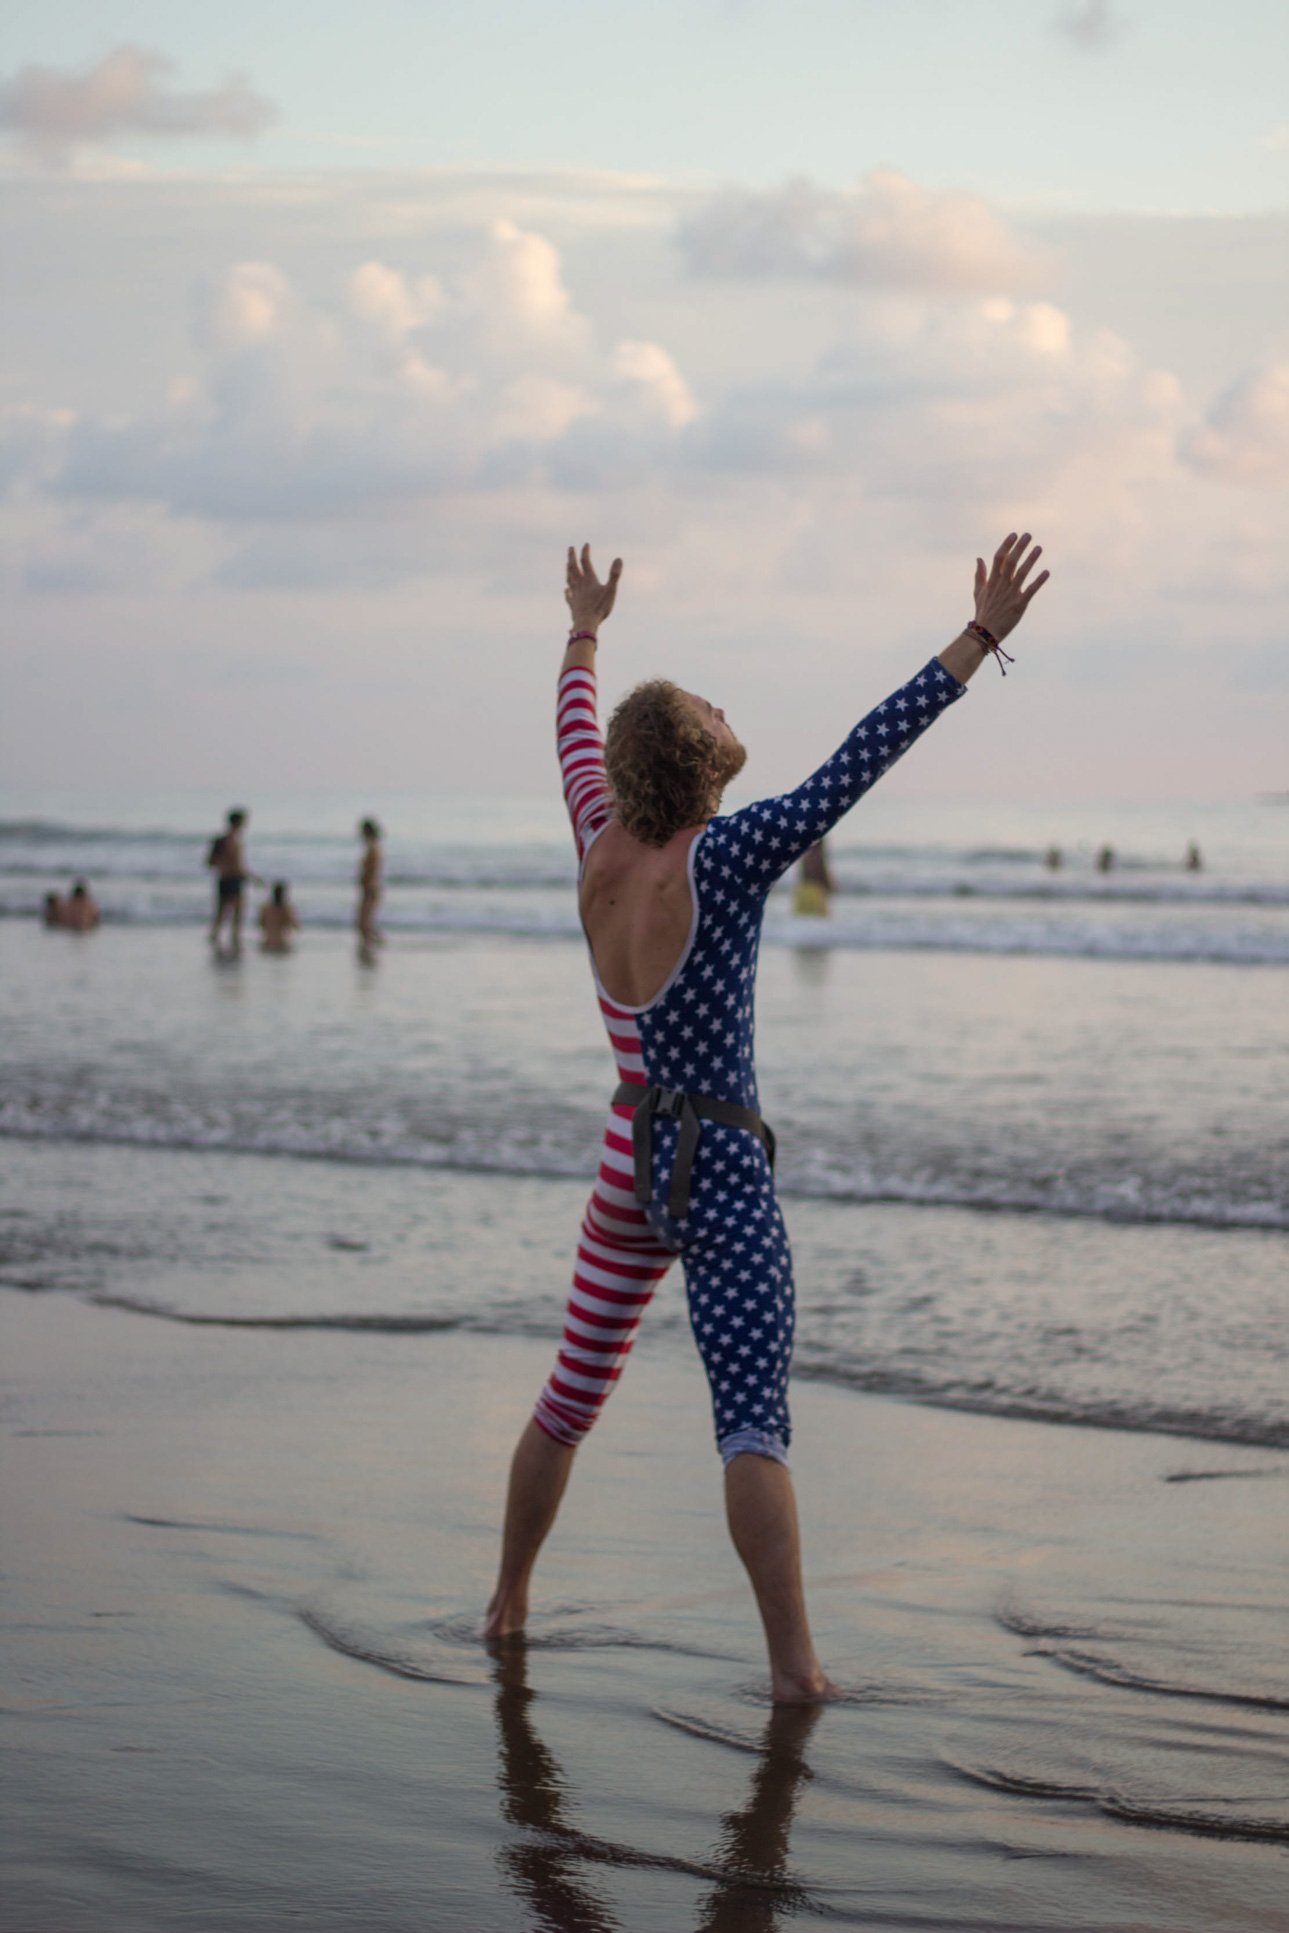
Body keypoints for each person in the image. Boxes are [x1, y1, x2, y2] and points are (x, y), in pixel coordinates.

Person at [483, 532, 1050, 1700]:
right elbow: (859, 758)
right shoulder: (726, 855)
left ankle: (508, 1603)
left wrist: (584, 630)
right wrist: (979, 636)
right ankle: (795, 1668)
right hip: (721, 1165)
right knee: (749, 1419)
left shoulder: (596, 842)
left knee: (570, 1392)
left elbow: (569, 727)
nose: (726, 704)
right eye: (708, 702)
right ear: (695, 753)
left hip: (628, 1157)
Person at [207, 810, 259, 949]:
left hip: (223, 879)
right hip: (234, 879)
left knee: (220, 915)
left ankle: (214, 939)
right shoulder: (234, 841)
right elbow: (238, 866)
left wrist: (224, 865)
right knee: (237, 915)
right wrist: (253, 878)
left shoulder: (221, 839)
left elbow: (211, 862)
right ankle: (235, 941)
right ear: (239, 822)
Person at [356, 818, 384, 950]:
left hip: (370, 888)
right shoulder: (373, 847)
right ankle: (369, 945)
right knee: (365, 923)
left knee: (364, 923)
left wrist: (364, 880)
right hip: (370, 887)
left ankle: (372, 946)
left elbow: (371, 869)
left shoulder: (373, 848)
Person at [793, 838, 835, 917]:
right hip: (815, 891)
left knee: (803, 917)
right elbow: (822, 874)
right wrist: (830, 887)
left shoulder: (806, 856)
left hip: (803, 890)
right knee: (819, 918)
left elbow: (802, 875)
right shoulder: (819, 856)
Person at [258, 881, 299, 953]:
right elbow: (295, 926)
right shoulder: (286, 910)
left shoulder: (266, 909)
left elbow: (261, 924)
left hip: (266, 943)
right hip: (281, 943)